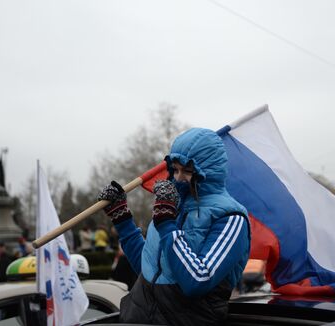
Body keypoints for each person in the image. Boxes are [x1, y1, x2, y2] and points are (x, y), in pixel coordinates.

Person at [97, 128, 251, 325]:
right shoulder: (170, 207)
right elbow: (148, 268)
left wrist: (167, 225)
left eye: (187, 171)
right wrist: (122, 219)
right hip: (137, 319)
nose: (178, 178)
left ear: (209, 171)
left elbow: (197, 281)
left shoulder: (232, 217)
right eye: (175, 169)